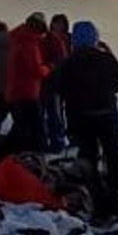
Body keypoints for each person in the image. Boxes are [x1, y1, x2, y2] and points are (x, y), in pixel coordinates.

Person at [57, 21, 118, 206]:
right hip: (106, 113)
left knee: (87, 153)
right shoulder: (105, 58)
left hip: (80, 116)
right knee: (112, 152)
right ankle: (116, 190)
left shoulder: (69, 62)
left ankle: (91, 190)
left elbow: (56, 86)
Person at [4, 13, 52, 154]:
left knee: (21, 127)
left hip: (15, 91)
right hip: (27, 92)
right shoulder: (29, 43)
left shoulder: (17, 39)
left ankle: (10, 154)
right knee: (35, 129)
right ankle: (36, 155)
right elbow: (35, 69)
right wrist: (48, 68)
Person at [42, 14, 73, 152]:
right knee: (55, 112)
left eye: (60, 23)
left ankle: (62, 139)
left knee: (61, 112)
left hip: (62, 80)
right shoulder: (48, 39)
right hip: (52, 81)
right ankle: (56, 140)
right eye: (56, 23)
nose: (58, 26)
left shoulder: (67, 39)